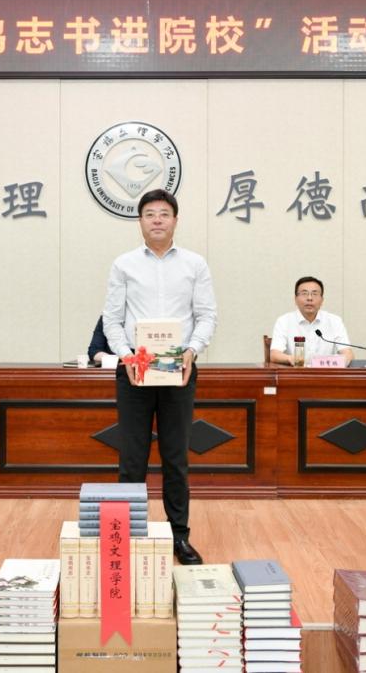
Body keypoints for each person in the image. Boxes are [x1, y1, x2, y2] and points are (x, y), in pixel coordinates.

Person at [103, 189, 217, 566]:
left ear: (175, 220)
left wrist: (192, 350)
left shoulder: (195, 264)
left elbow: (206, 315)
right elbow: (112, 320)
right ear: (140, 221)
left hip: (178, 370)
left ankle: (179, 536)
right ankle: (127, 536)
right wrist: (126, 356)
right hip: (134, 371)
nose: (157, 219)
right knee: (132, 458)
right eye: (149, 213)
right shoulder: (123, 264)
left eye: (164, 214)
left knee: (175, 457)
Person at [269, 276, 354, 366]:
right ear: (295, 299)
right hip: (296, 372)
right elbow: (274, 355)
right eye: (304, 293)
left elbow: (348, 354)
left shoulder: (334, 321)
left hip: (326, 373)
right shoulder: (284, 321)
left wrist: (331, 363)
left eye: (314, 294)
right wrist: (291, 358)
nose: (309, 298)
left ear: (322, 300)